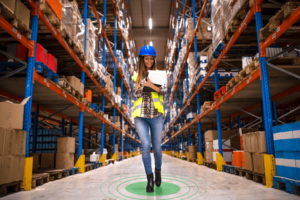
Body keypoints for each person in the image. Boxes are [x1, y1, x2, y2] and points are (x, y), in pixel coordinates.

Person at [132, 45, 166, 193]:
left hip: (156, 115)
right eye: (146, 58)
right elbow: (135, 94)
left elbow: (164, 90)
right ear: (142, 59)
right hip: (141, 116)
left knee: (157, 148)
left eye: (151, 58)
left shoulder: (159, 73)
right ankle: (150, 178)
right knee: (145, 146)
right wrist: (142, 87)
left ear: (154, 59)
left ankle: (158, 170)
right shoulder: (136, 75)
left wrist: (150, 84)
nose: (149, 60)